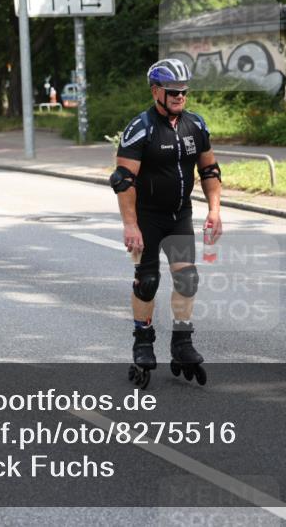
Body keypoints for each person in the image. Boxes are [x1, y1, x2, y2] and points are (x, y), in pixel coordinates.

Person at [112, 59, 223, 388]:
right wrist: (130, 225)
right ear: (156, 91)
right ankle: (143, 341)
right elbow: (122, 180)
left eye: (184, 92)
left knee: (187, 279)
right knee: (147, 280)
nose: (179, 97)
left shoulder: (196, 126)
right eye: (173, 92)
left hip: (180, 214)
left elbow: (210, 171)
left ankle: (182, 342)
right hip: (146, 217)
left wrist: (214, 211)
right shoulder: (140, 128)